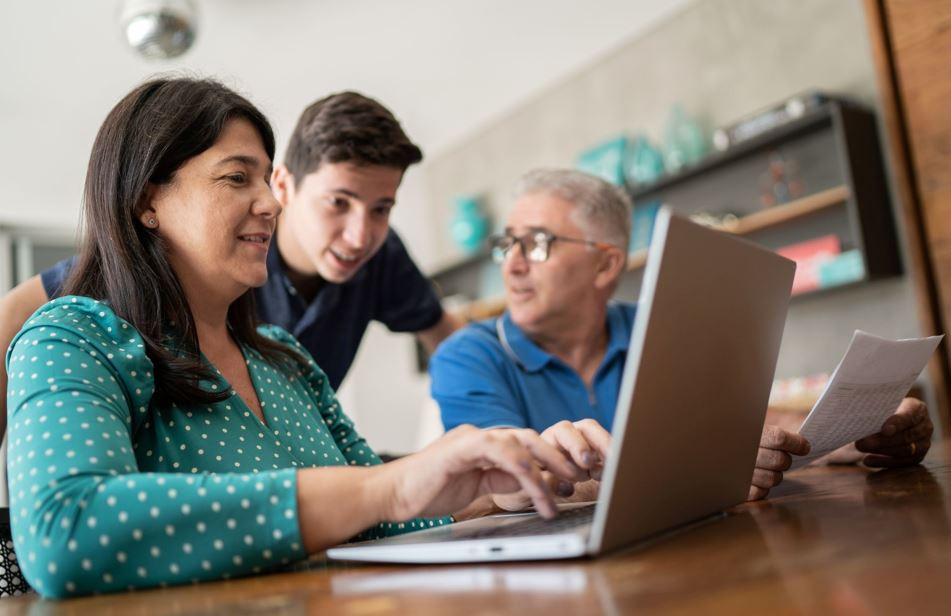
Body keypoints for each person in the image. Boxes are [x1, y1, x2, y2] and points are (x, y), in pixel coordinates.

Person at [4, 78, 603, 598]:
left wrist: (498, 489)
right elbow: (65, 534)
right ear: (146, 201)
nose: (269, 202)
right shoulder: (74, 336)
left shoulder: (286, 359)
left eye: (266, 180)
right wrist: (388, 488)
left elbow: (380, 519)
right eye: (237, 177)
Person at [429, 168, 934, 501]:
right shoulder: (465, 356)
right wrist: (699, 466)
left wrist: (857, 430)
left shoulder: (657, 323)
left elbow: (741, 423)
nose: (512, 265)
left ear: (606, 265)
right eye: (507, 245)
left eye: (535, 244)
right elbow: (498, 489)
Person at [0, 89, 460, 439]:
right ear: (286, 185)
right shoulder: (81, 323)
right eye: (338, 202)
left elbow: (448, 340)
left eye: (381, 209)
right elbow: (21, 311)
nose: (361, 236)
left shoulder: (382, 260)